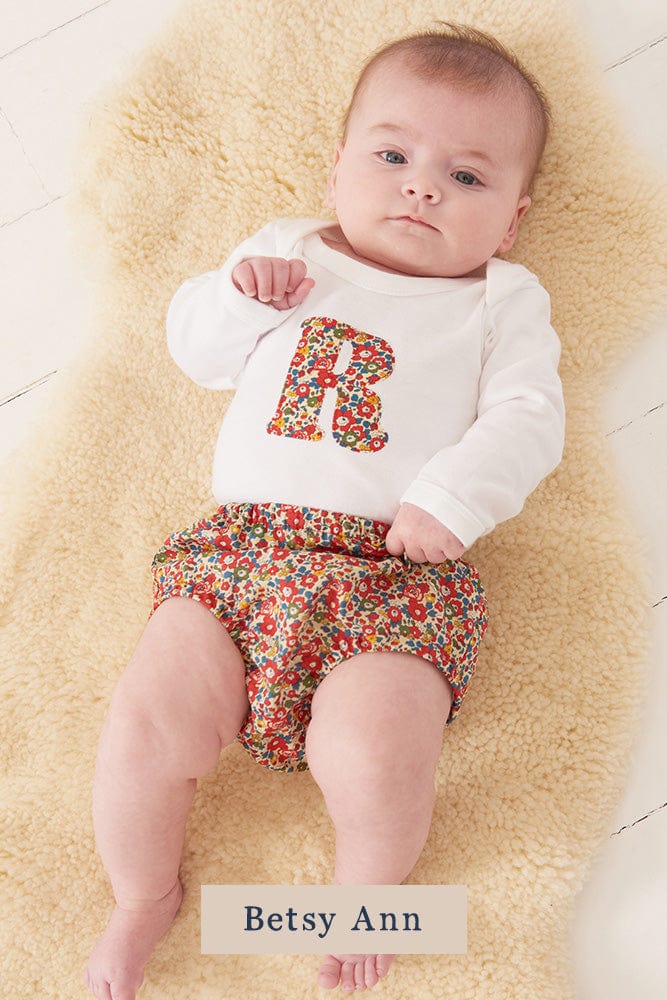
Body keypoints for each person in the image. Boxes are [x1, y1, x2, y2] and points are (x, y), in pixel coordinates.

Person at [85, 22, 565, 999]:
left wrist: (449, 498)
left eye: (465, 177)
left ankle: (365, 894)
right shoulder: (286, 252)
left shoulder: (498, 300)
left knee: (376, 753)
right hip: (240, 557)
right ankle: (142, 895)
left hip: (392, 569)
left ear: (511, 221)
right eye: (392, 157)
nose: (422, 188)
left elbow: (529, 417)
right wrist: (239, 301)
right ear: (337, 166)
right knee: (144, 723)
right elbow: (195, 353)